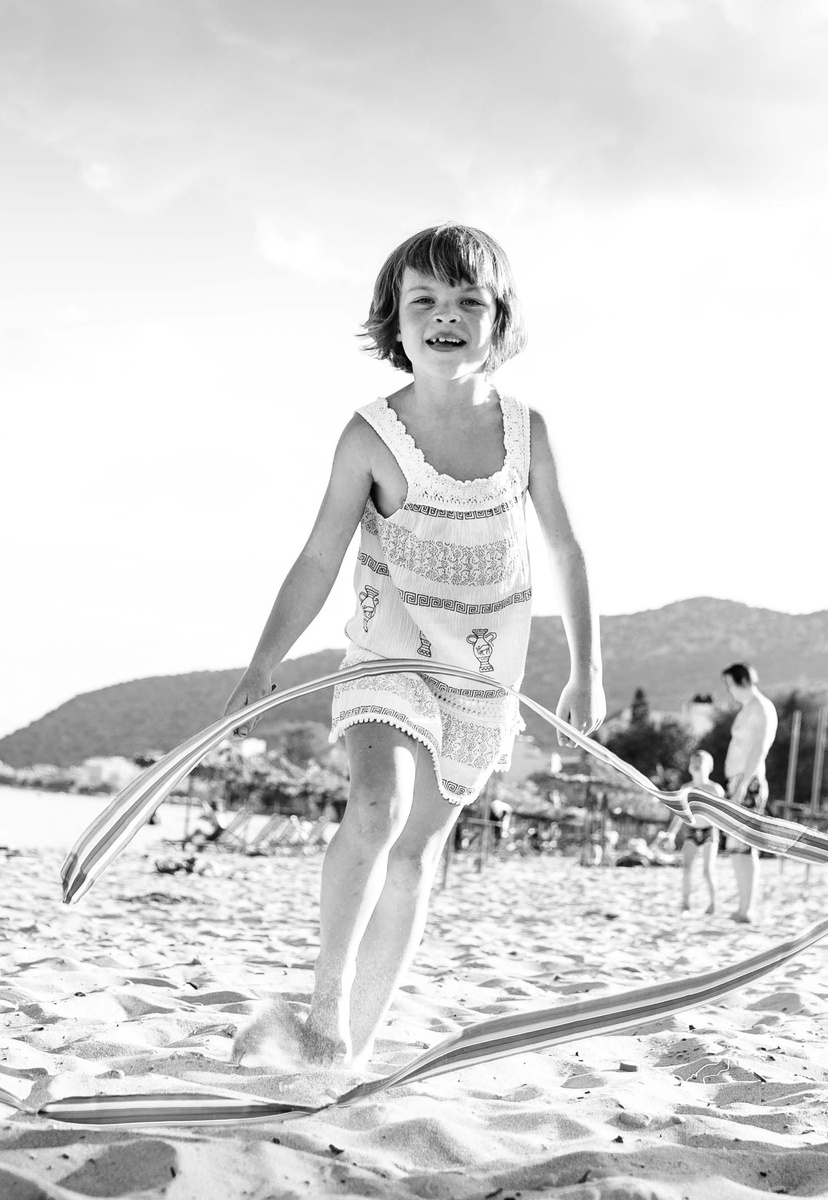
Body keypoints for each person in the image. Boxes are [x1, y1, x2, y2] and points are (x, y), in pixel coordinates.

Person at [223, 224, 604, 1066]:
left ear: (499, 320)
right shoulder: (370, 435)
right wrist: (262, 663)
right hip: (389, 653)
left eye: (469, 301)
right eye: (424, 300)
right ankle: (325, 1007)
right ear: (394, 320)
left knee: (418, 853)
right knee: (377, 807)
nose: (446, 316)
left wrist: (588, 670)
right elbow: (319, 556)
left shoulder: (527, 431)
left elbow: (567, 551)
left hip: (481, 674)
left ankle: (349, 1047)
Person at [720, 664, 777, 923]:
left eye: (730, 684)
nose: (729, 690)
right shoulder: (749, 708)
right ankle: (743, 906)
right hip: (738, 781)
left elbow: (759, 748)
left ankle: (747, 908)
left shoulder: (761, 707)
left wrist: (743, 785)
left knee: (745, 846)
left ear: (742, 680)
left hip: (748, 782)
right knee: (736, 847)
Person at [662, 749, 728, 913]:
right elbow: (680, 814)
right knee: (686, 868)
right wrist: (671, 834)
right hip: (692, 830)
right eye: (693, 762)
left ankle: (713, 904)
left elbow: (724, 813)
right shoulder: (686, 788)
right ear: (689, 767)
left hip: (709, 831)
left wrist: (728, 830)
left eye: (700, 762)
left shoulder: (715, 789)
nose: (696, 765)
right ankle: (685, 903)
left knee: (707, 870)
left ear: (709, 767)